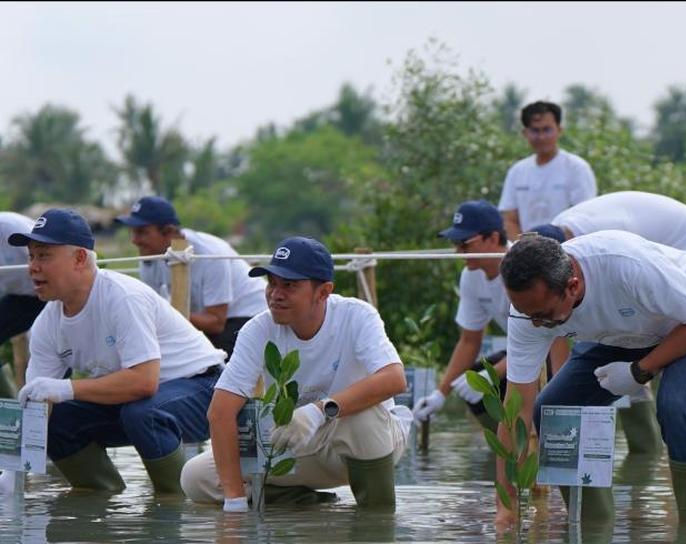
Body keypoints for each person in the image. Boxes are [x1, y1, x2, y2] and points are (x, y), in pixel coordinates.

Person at [497, 232, 686, 524]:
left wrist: (639, 371)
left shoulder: (624, 266)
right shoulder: (528, 314)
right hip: (629, 332)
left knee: (676, 406)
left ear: (572, 287)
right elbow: (516, 409)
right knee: (555, 409)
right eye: (528, 315)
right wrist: (505, 502)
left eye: (544, 315)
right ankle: (590, 530)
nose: (537, 324)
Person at [181, 237, 412, 510]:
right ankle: (307, 503)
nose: (275, 294)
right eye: (271, 283)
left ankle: (376, 521)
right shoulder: (257, 330)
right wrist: (234, 503)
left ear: (323, 292)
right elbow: (220, 412)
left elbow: (395, 379)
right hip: (296, 438)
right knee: (196, 478)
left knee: (363, 417)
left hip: (364, 441)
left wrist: (318, 411)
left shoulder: (358, 316)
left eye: (289, 285)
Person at [13, 208, 225, 493]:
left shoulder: (123, 297)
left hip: (202, 389)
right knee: (57, 421)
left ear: (78, 259)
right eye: (31, 256)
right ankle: (98, 505)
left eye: (44, 255)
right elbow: (37, 407)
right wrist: (12, 473)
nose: (32, 267)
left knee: (142, 414)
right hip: (137, 403)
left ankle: (176, 505)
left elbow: (143, 381)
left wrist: (65, 388)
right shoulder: (46, 324)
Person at [529, 190, 686, 457]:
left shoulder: (606, 247)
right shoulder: (554, 246)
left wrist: (638, 372)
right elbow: (561, 331)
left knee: (682, 388)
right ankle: (645, 453)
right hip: (646, 274)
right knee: (618, 354)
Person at [117, 196, 267, 357]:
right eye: (133, 232)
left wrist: (170, 311)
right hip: (210, 321)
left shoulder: (210, 254)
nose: (134, 240)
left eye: (142, 232)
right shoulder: (150, 258)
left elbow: (216, 322)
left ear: (168, 231)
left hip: (249, 314)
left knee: (210, 358)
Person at [412, 201, 518, 428]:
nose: (458, 252)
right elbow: (469, 340)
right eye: (455, 243)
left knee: (496, 382)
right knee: (472, 382)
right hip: (519, 349)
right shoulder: (471, 276)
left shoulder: (522, 266)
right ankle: (506, 451)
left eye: (464, 244)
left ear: (492, 238)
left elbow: (546, 338)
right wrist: (440, 394)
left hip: (555, 346)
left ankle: (532, 447)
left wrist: (495, 374)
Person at [498, 100, 597, 242]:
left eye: (547, 129)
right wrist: (521, 248)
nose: (541, 137)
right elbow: (510, 219)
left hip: (566, 252)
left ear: (559, 130)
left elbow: (585, 218)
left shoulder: (577, 168)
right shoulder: (517, 171)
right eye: (535, 130)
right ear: (525, 133)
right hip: (526, 252)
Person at [0, 213, 45, 397]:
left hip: (52, 293)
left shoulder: (11, 228)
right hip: (20, 297)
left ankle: (56, 408)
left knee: (47, 344)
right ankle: (9, 402)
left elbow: (50, 258)